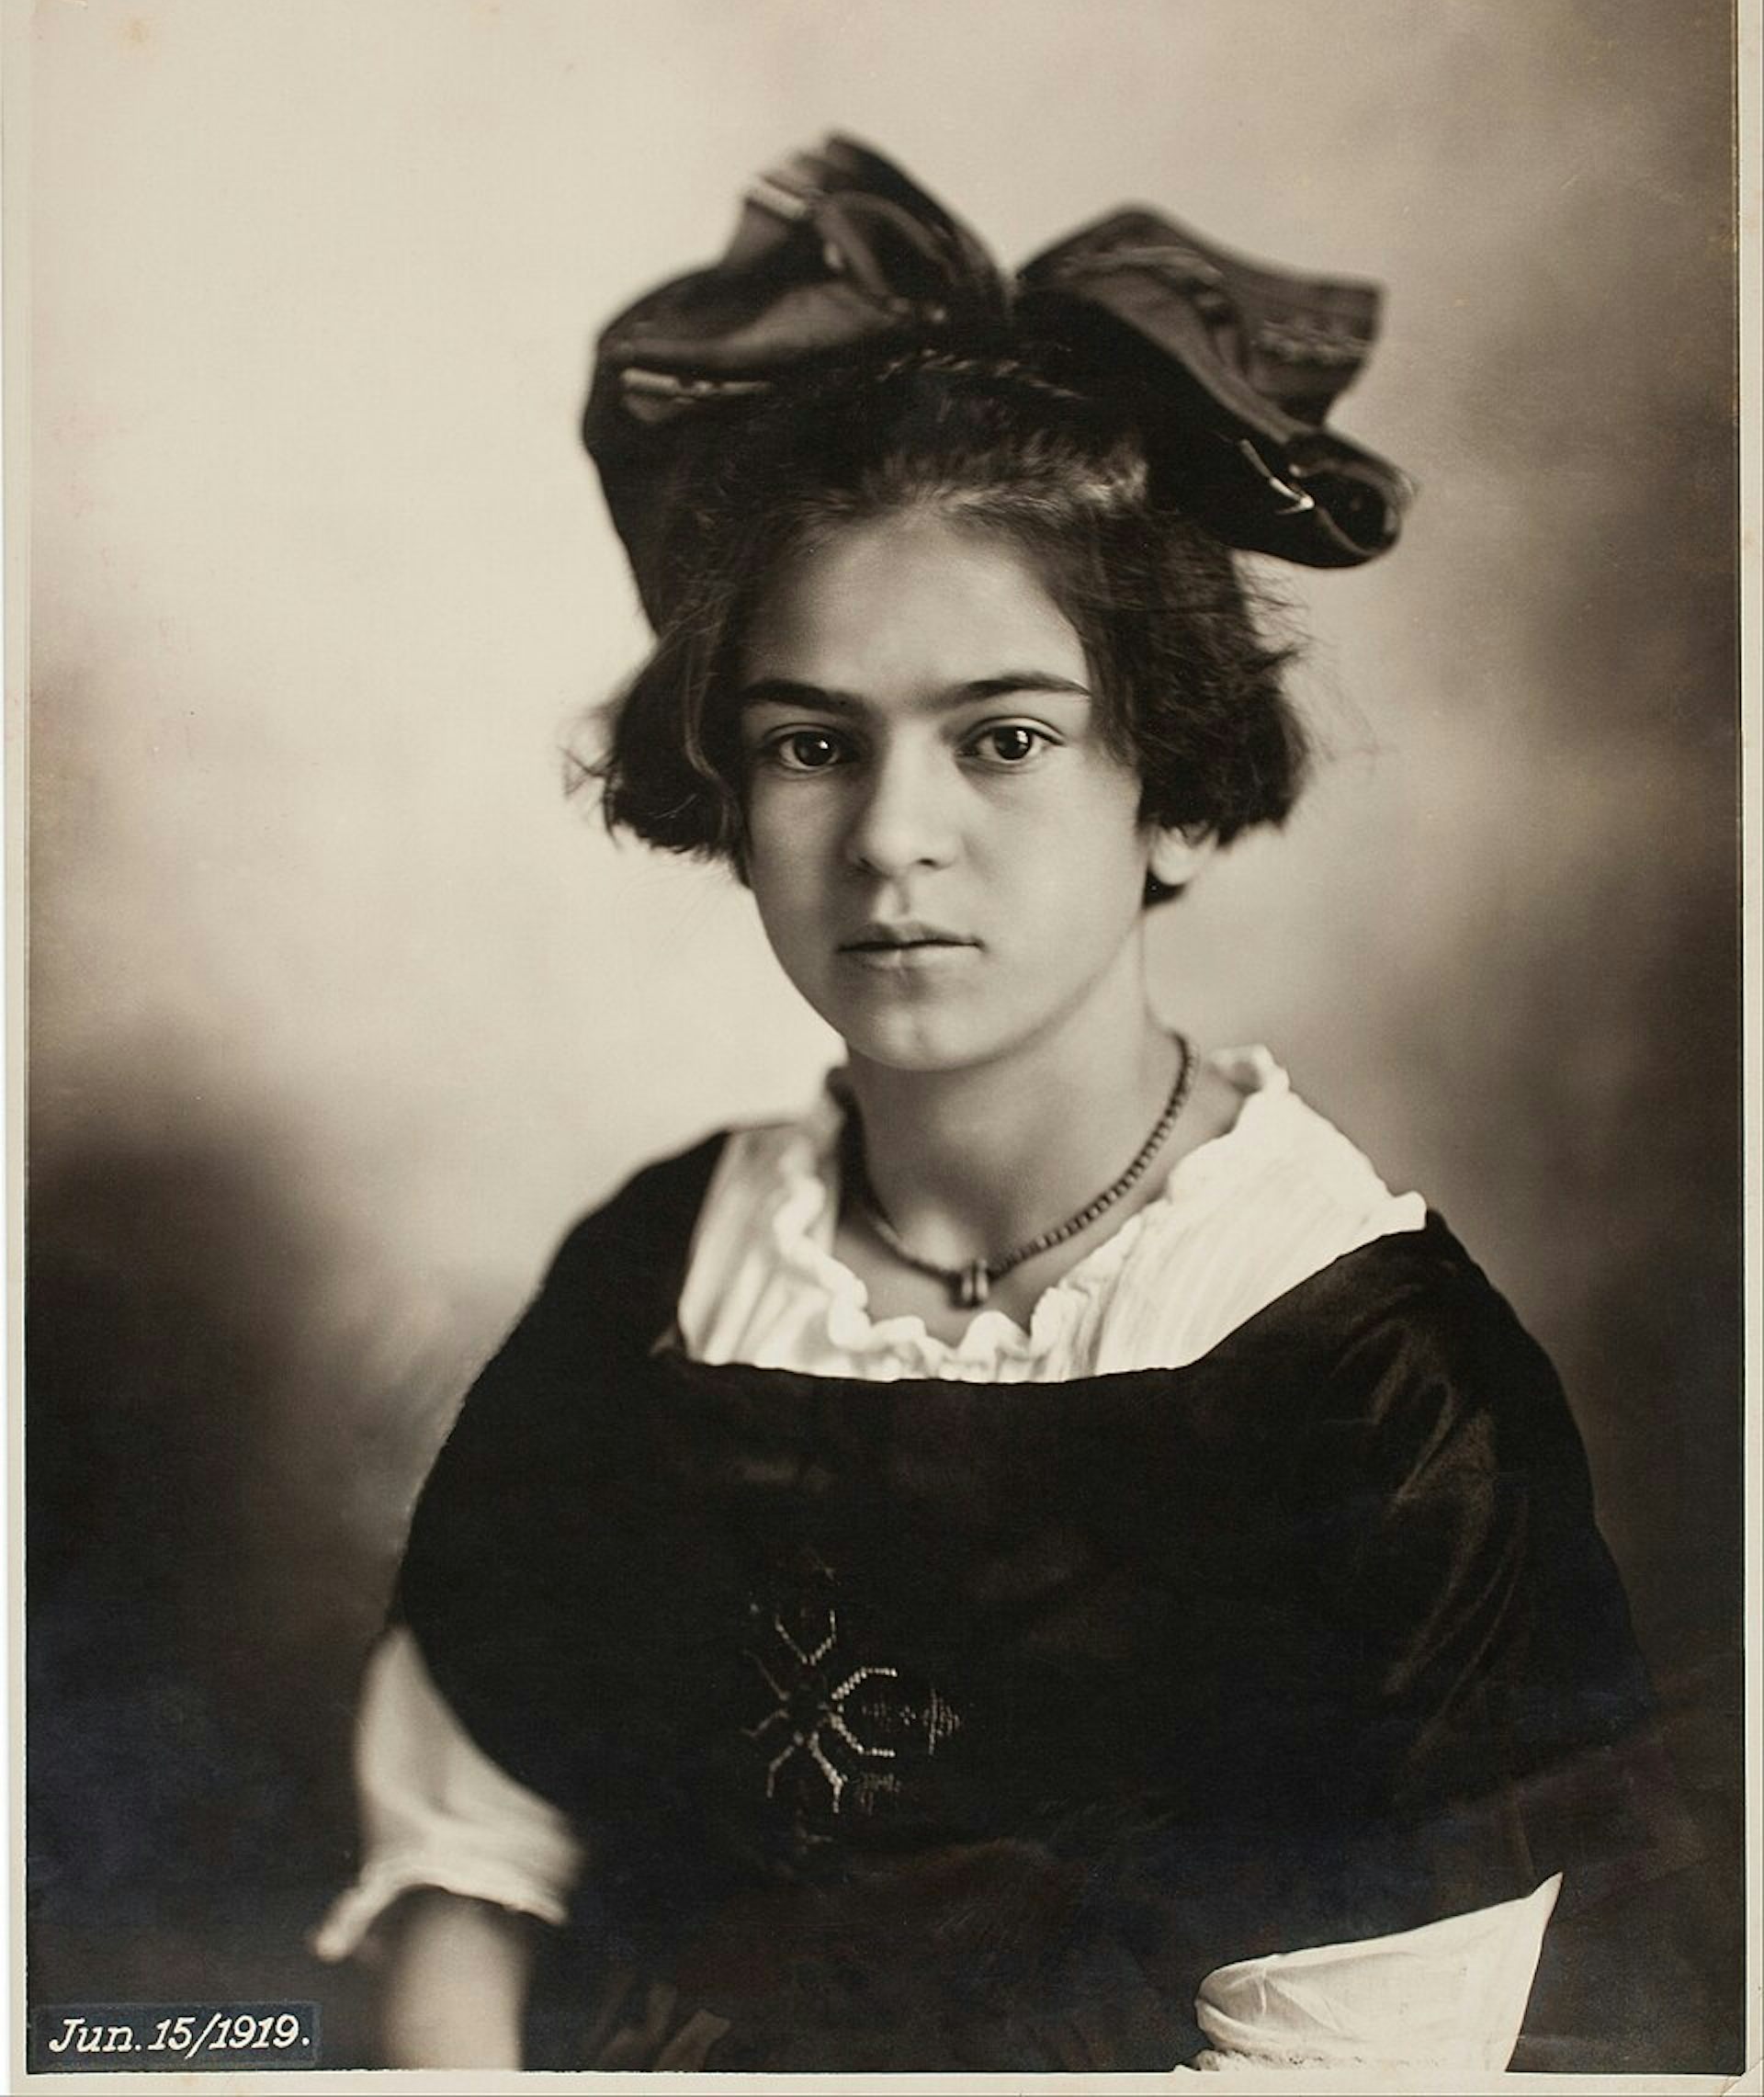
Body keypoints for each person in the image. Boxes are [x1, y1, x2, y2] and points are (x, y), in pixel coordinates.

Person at [314, 138, 1679, 2075]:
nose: (891, 840)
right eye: (811, 745)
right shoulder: (664, 1274)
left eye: (1006, 738)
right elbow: (475, 1855)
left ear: (1177, 785)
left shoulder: (1372, 1388)